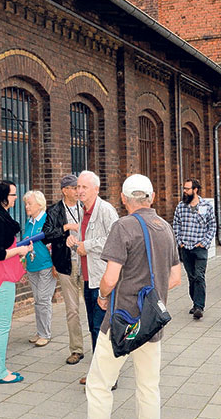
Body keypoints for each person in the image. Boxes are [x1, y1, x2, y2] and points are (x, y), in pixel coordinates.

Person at [85, 174, 182, 418]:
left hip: (122, 319)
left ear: (123, 199)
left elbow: (109, 278)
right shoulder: (165, 226)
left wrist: (103, 296)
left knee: (99, 384)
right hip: (151, 323)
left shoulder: (123, 226)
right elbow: (175, 278)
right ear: (152, 198)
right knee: (148, 387)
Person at [69, 170, 119, 385]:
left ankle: (108, 376)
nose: (79, 191)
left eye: (84, 187)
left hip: (102, 279)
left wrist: (85, 246)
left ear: (96, 190)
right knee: (93, 327)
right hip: (87, 278)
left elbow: (114, 239)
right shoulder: (82, 211)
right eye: (77, 187)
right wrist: (74, 241)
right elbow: (84, 240)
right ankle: (99, 371)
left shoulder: (106, 210)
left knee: (103, 328)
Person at [0, 180, 32, 384]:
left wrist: (21, 248)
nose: (15, 198)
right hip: (0, 275)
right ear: (2, 197)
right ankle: (1, 373)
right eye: (12, 194)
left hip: (1, 274)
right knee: (3, 325)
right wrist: (21, 250)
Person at [42, 174, 85, 364]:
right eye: (75, 188)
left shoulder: (86, 207)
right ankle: (76, 349)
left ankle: (101, 347)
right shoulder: (54, 210)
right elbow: (46, 235)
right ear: (65, 190)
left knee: (95, 306)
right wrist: (66, 226)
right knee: (72, 309)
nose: (78, 192)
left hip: (86, 262)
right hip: (66, 264)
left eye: (79, 188)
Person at [173, 178, 217, 320]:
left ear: (195, 190)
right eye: (184, 189)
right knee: (192, 277)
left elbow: (212, 226)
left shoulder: (206, 206)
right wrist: (180, 242)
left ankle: (199, 306)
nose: (184, 191)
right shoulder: (181, 206)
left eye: (187, 189)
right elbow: (176, 225)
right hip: (185, 248)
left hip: (200, 248)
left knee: (199, 276)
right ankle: (195, 303)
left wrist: (204, 243)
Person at [22, 190, 55, 347]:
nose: (26, 206)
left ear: (39, 205)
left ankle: (45, 334)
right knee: (38, 300)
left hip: (46, 265)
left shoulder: (47, 221)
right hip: (32, 266)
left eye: (29, 203)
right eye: (26, 203)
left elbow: (54, 244)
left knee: (43, 299)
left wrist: (55, 265)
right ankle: (40, 331)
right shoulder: (29, 222)